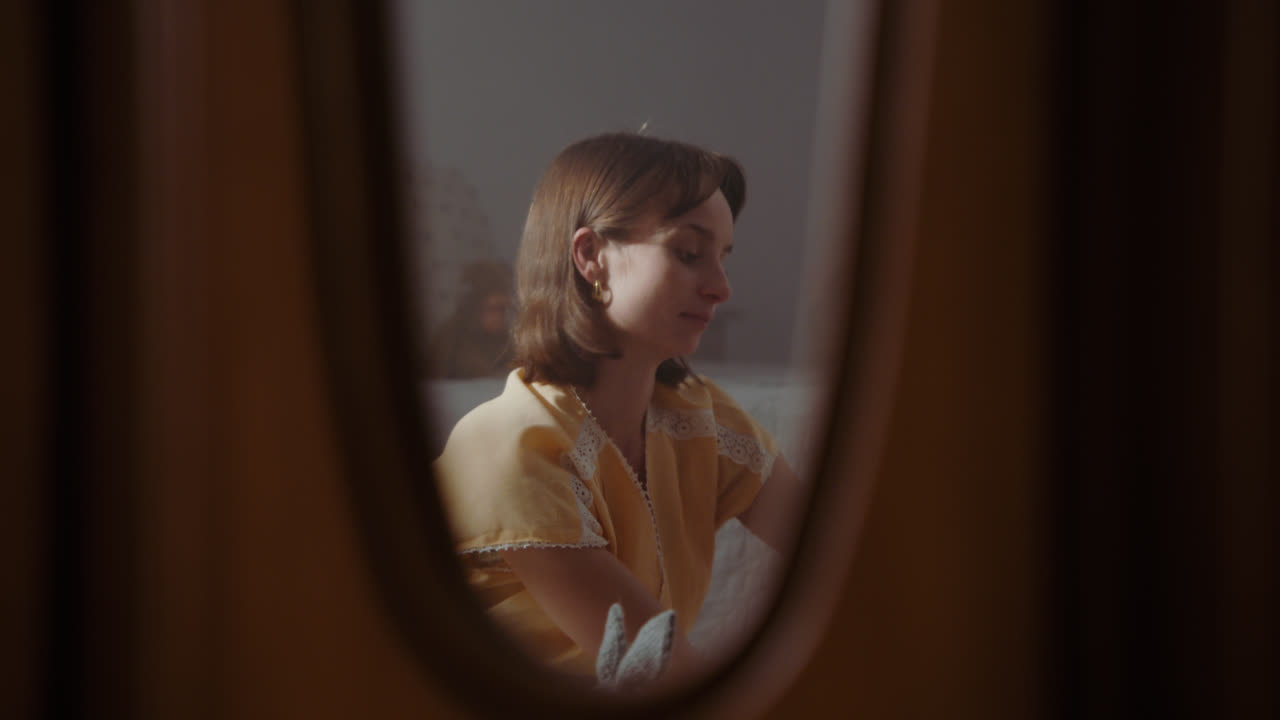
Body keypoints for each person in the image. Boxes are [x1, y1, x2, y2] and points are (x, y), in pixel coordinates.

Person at [432, 132, 806, 690]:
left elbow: (845, 557)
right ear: (590, 256)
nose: (721, 287)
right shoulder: (510, 446)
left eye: (723, 257)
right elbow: (663, 668)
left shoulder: (700, 421)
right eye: (687, 253)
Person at [425, 260, 513, 379]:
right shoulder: (450, 341)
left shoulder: (504, 339)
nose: (499, 317)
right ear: (474, 307)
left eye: (502, 310)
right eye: (493, 309)